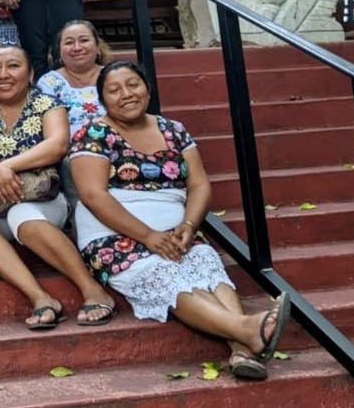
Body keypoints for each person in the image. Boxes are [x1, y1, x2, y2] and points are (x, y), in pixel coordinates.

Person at [70, 61, 293, 380]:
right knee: (169, 277)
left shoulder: (172, 129)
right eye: (114, 90)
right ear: (103, 100)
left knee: (206, 268)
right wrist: (147, 236)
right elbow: (93, 195)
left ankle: (244, 349)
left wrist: (189, 226)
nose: (126, 94)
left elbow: (199, 185)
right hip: (113, 237)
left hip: (176, 232)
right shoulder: (93, 132)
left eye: (132, 85)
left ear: (147, 88)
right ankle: (247, 329)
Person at [0, 45, 116, 328]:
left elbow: (57, 146)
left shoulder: (48, 105)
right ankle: (41, 298)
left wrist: (4, 168)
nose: (3, 74)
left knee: (22, 215)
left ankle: (92, 289)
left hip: (43, 200)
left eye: (13, 66)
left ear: (30, 73)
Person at [36, 19, 111, 211]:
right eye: (69, 42)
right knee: (75, 162)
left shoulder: (114, 76)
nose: (77, 47)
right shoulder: (50, 82)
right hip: (72, 154)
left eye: (84, 40)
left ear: (97, 46)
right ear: (59, 51)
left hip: (115, 147)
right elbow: (49, 130)